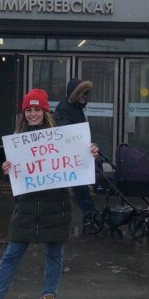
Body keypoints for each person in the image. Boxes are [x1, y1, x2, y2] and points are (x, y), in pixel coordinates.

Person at [0, 89, 99, 299]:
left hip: (57, 205)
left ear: (45, 111)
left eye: (37, 109)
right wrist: (7, 171)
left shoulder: (61, 137)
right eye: (28, 110)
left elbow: (80, 161)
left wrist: (90, 153)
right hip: (28, 206)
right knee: (11, 254)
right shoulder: (18, 142)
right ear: (24, 113)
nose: (32, 114)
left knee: (54, 255)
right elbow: (13, 182)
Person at [54, 78, 96, 218]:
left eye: (86, 94)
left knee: (81, 187)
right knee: (78, 187)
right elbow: (64, 129)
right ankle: (88, 213)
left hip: (76, 153)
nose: (85, 97)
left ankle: (89, 213)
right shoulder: (64, 108)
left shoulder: (77, 108)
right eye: (82, 94)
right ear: (75, 94)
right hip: (68, 155)